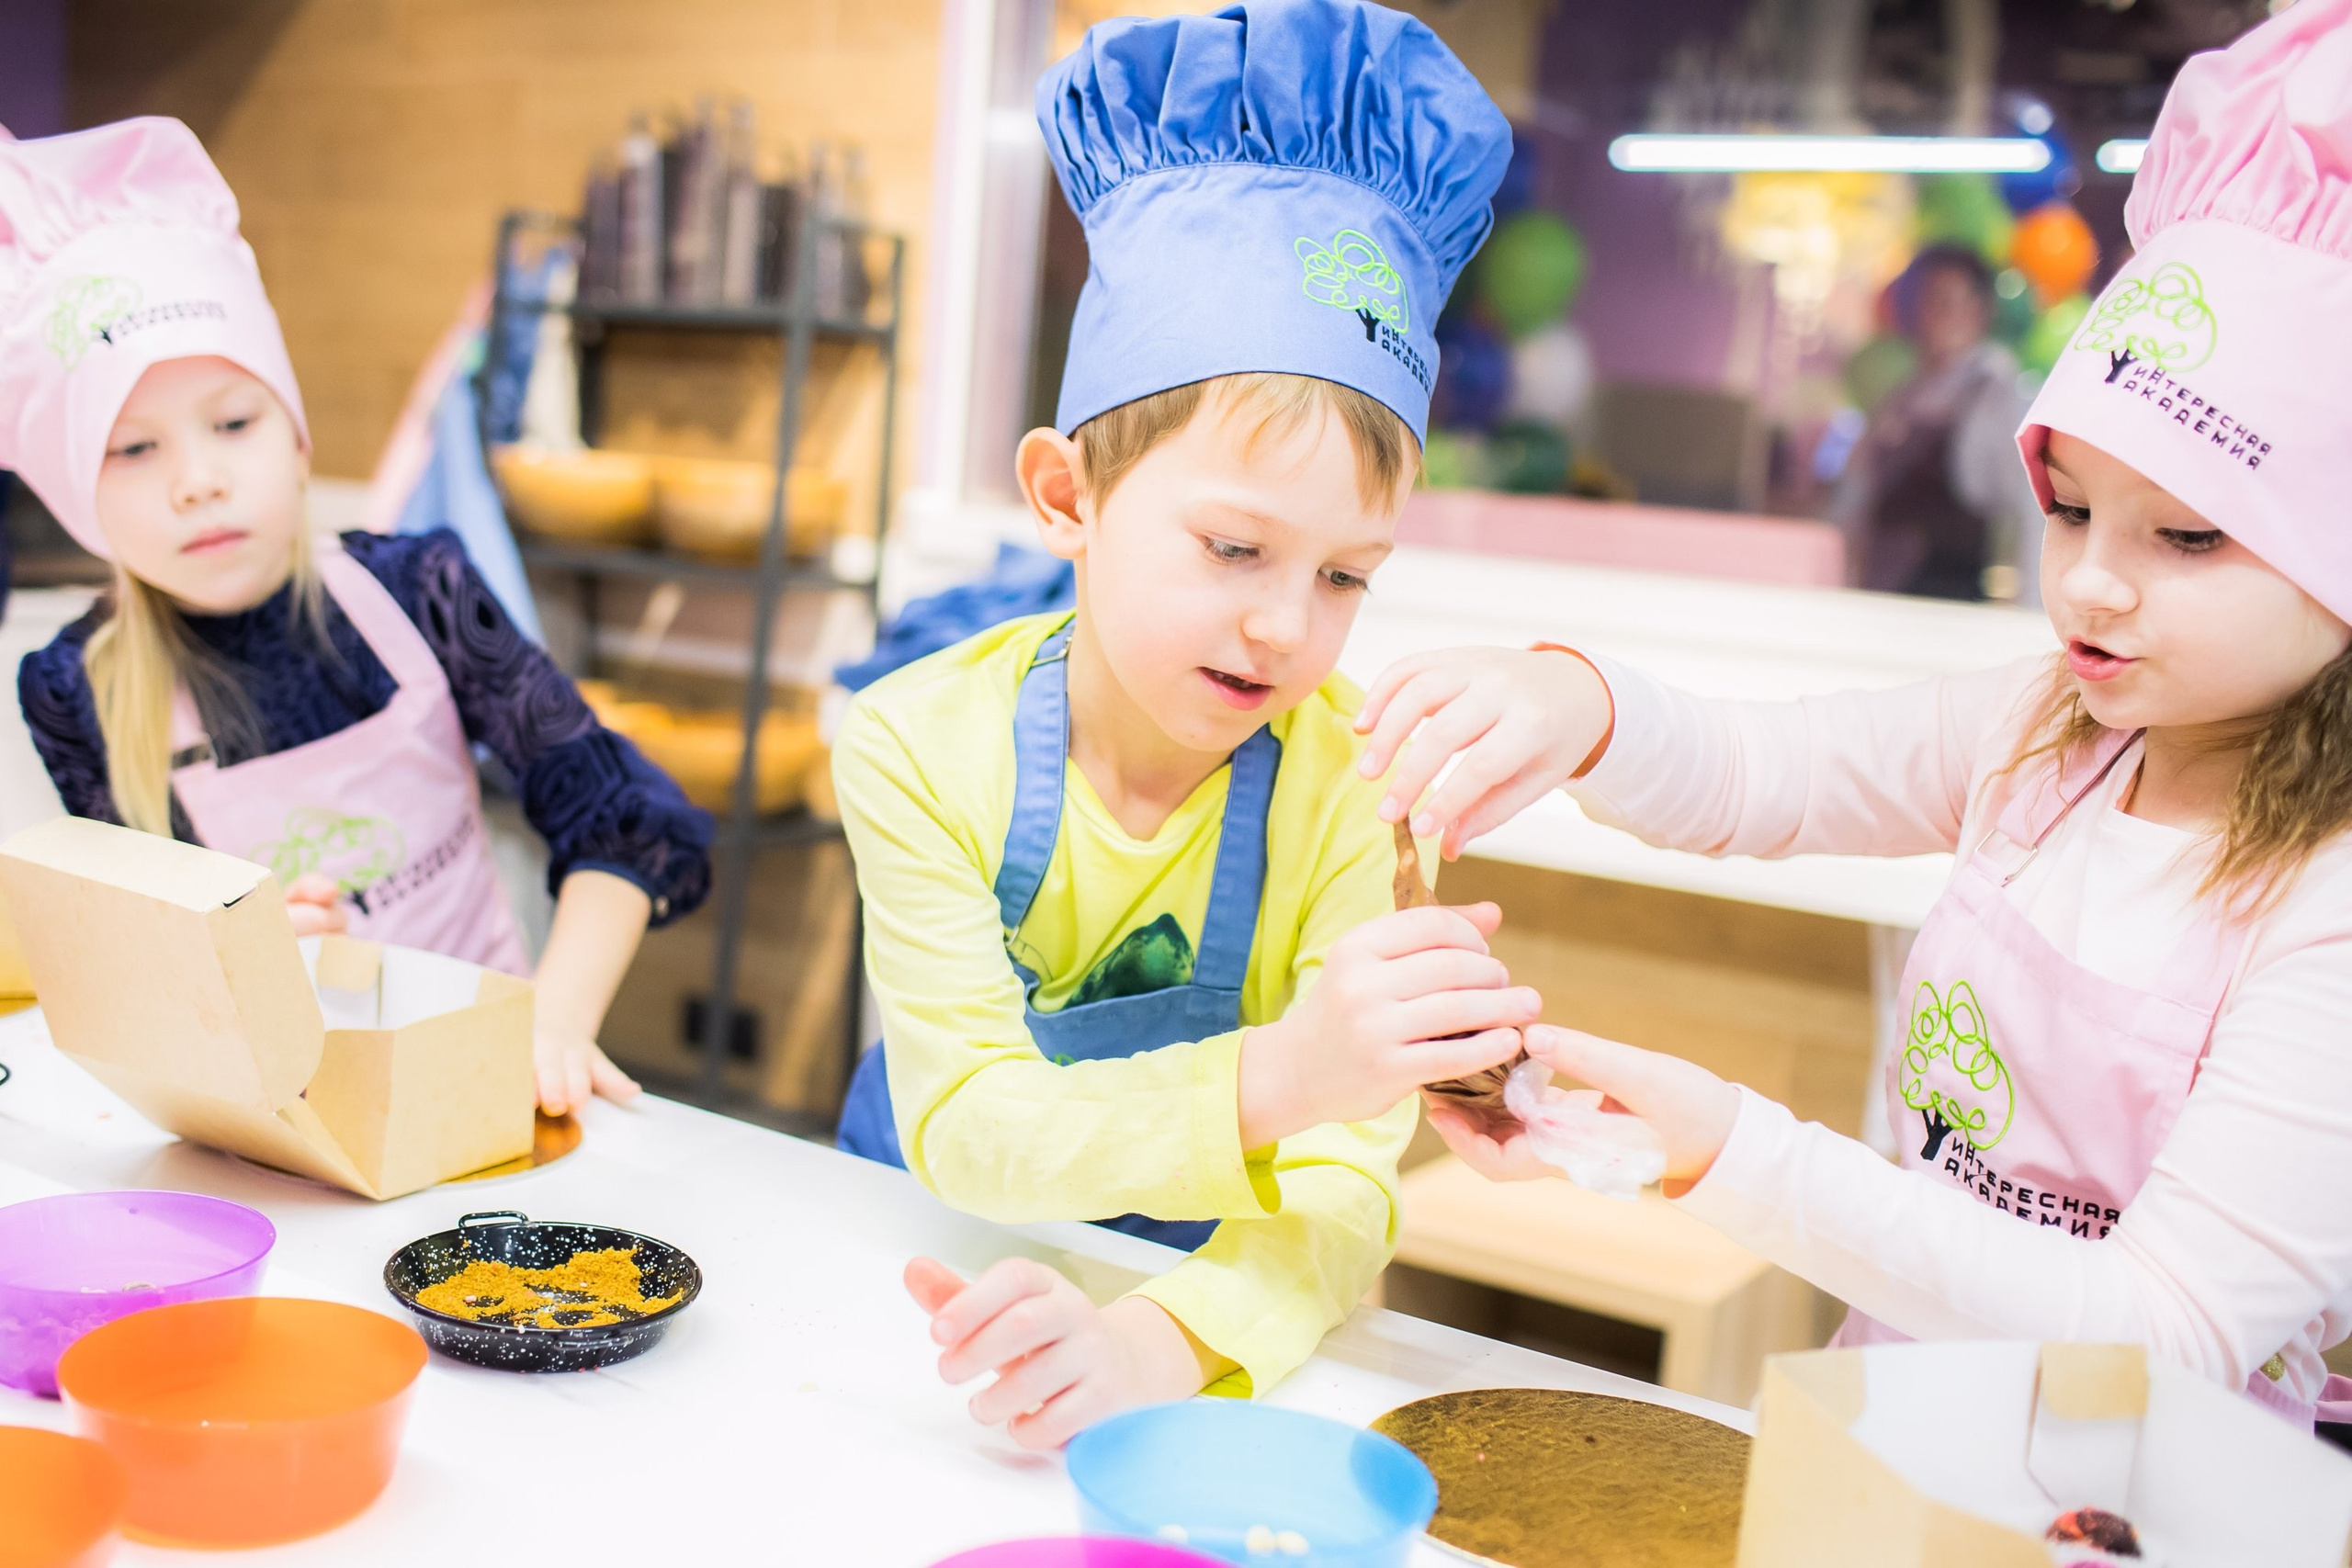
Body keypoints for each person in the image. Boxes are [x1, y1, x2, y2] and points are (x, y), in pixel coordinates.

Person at [1354, 1, 2352, 1427]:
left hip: (2154, 1499)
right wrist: (1575, 702)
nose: (2094, 587)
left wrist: (1738, 1154)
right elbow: (1772, 773)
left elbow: (2163, 1328)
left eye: (2187, 538)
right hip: (1901, 1436)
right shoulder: (2054, 732)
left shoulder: (2329, 898)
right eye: (2069, 512)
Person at [833, 0, 1525, 1448]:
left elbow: (1342, 1188)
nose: (1290, 626)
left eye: (1346, 575)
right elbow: (964, 1121)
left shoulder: (1351, 782)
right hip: (907, 1295)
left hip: (1192, 1322)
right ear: (1067, 497)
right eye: (1234, 550)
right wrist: (1297, 1066)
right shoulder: (912, 744)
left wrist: (1157, 1344)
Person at [0, 118, 713, 1117]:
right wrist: (228, 958)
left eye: (234, 423)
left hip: (488, 1091)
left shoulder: (418, 592)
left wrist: (557, 1018)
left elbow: (622, 819)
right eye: (134, 450)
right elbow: (135, 974)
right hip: (267, 1119)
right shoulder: (76, 687)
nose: (199, 482)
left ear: (295, 438)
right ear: (77, 495)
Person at [1831, 244, 2042, 604]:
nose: (1932, 316)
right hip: (1876, 600)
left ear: (1980, 310)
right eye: (1924, 302)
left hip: (1948, 610)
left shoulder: (1998, 395)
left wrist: (2030, 614)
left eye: (1946, 301)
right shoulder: (1902, 396)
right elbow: (1855, 497)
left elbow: (2032, 512)